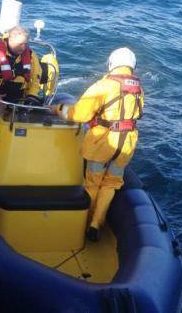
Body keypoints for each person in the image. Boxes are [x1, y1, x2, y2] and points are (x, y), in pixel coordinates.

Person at [50, 47, 144, 241]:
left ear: (111, 63)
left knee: (92, 183)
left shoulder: (103, 86)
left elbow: (79, 114)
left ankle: (83, 223)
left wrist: (59, 109)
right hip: (127, 144)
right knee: (111, 184)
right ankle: (96, 223)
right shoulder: (138, 89)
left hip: (103, 142)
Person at [0, 25, 43, 105]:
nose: (23, 48)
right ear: (10, 40)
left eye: (25, 44)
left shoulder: (31, 56)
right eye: (20, 44)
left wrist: (32, 96)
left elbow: (36, 78)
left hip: (20, 101)